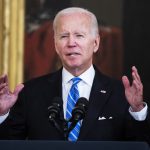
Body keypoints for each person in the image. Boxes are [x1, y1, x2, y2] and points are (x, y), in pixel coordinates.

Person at [0, 7, 149, 142]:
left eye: (79, 35)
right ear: (55, 45)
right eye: (64, 36)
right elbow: (9, 144)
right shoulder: (31, 92)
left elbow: (140, 143)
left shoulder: (120, 94)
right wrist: (3, 114)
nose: (71, 43)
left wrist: (138, 111)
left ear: (95, 43)